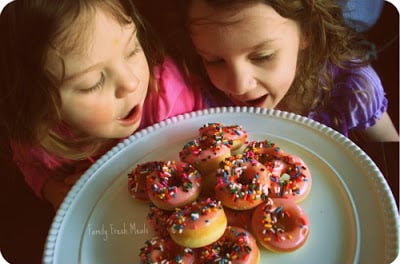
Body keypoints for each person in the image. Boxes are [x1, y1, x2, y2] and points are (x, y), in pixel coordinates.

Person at [0, 0, 210, 210]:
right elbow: (31, 166)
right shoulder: (42, 139)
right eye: (93, 82)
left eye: (132, 50)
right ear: (41, 104)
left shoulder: (171, 100)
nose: (130, 83)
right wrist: (51, 189)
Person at [172, 0, 399, 142]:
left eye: (263, 56)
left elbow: (391, 155)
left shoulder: (354, 89)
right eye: (215, 61)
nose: (239, 85)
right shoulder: (200, 94)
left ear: (307, 32)